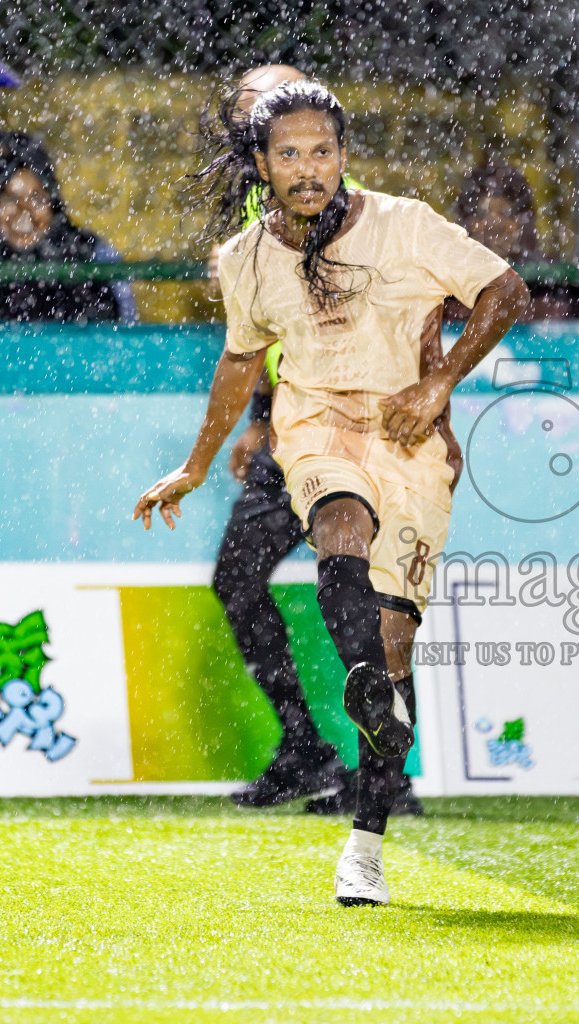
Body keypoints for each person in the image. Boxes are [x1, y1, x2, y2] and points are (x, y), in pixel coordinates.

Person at [133, 80, 528, 906]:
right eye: (289, 154)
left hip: (413, 441)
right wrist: (197, 463)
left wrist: (441, 382)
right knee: (336, 521)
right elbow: (241, 361)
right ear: (260, 164)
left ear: (342, 155)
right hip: (317, 433)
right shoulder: (244, 258)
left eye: (321, 152)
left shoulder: (405, 224)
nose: (307, 169)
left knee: (393, 641)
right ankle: (366, 695)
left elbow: (506, 291)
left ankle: (367, 840)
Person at [197, 63, 382, 813]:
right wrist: (258, 418)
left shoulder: (329, 195)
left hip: (351, 424)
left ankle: (380, 774)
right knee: (239, 581)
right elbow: (265, 330)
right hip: (289, 425)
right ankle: (306, 748)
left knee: (366, 593)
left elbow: (342, 322)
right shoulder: (254, 200)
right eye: (256, 108)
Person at [0, 138, 133, 323]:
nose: (24, 213)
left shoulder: (88, 255)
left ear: (53, 205)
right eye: (10, 199)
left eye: (37, 199)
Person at [447, 161, 579, 321]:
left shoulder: (552, 286)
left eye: (507, 212)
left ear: (525, 222)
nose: (495, 225)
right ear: (465, 222)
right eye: (481, 214)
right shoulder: (445, 290)